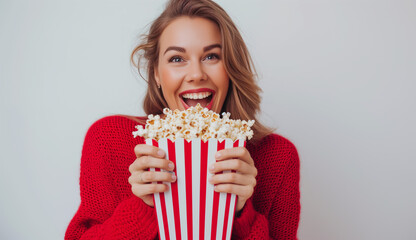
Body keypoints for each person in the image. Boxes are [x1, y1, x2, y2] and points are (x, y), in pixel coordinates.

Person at [65, 0, 300, 239]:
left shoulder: (277, 157)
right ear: (156, 73)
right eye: (177, 59)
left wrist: (241, 213)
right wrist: (142, 208)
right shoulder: (109, 140)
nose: (196, 74)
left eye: (211, 56)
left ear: (230, 68)